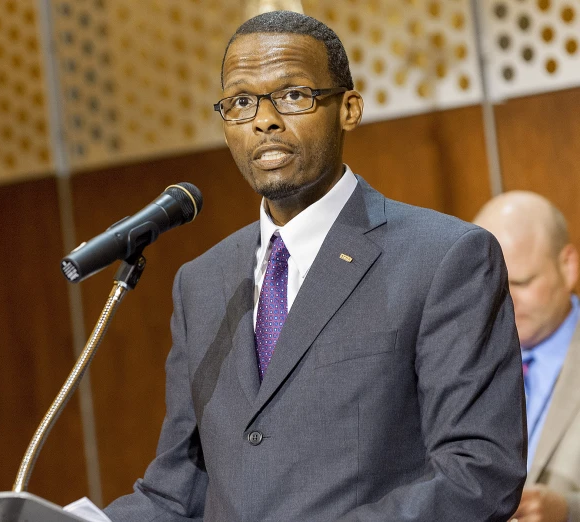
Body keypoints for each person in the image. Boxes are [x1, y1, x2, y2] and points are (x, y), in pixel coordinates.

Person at [105, 11, 526, 521]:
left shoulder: (444, 258)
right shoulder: (202, 282)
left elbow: (478, 474)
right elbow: (180, 490)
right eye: (241, 102)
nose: (264, 120)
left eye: (293, 95)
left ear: (348, 109)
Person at [475, 192, 580, 522]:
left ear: (568, 266)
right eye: (490, 284)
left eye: (521, 282)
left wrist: (568, 510)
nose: (503, 300)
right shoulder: (457, 358)